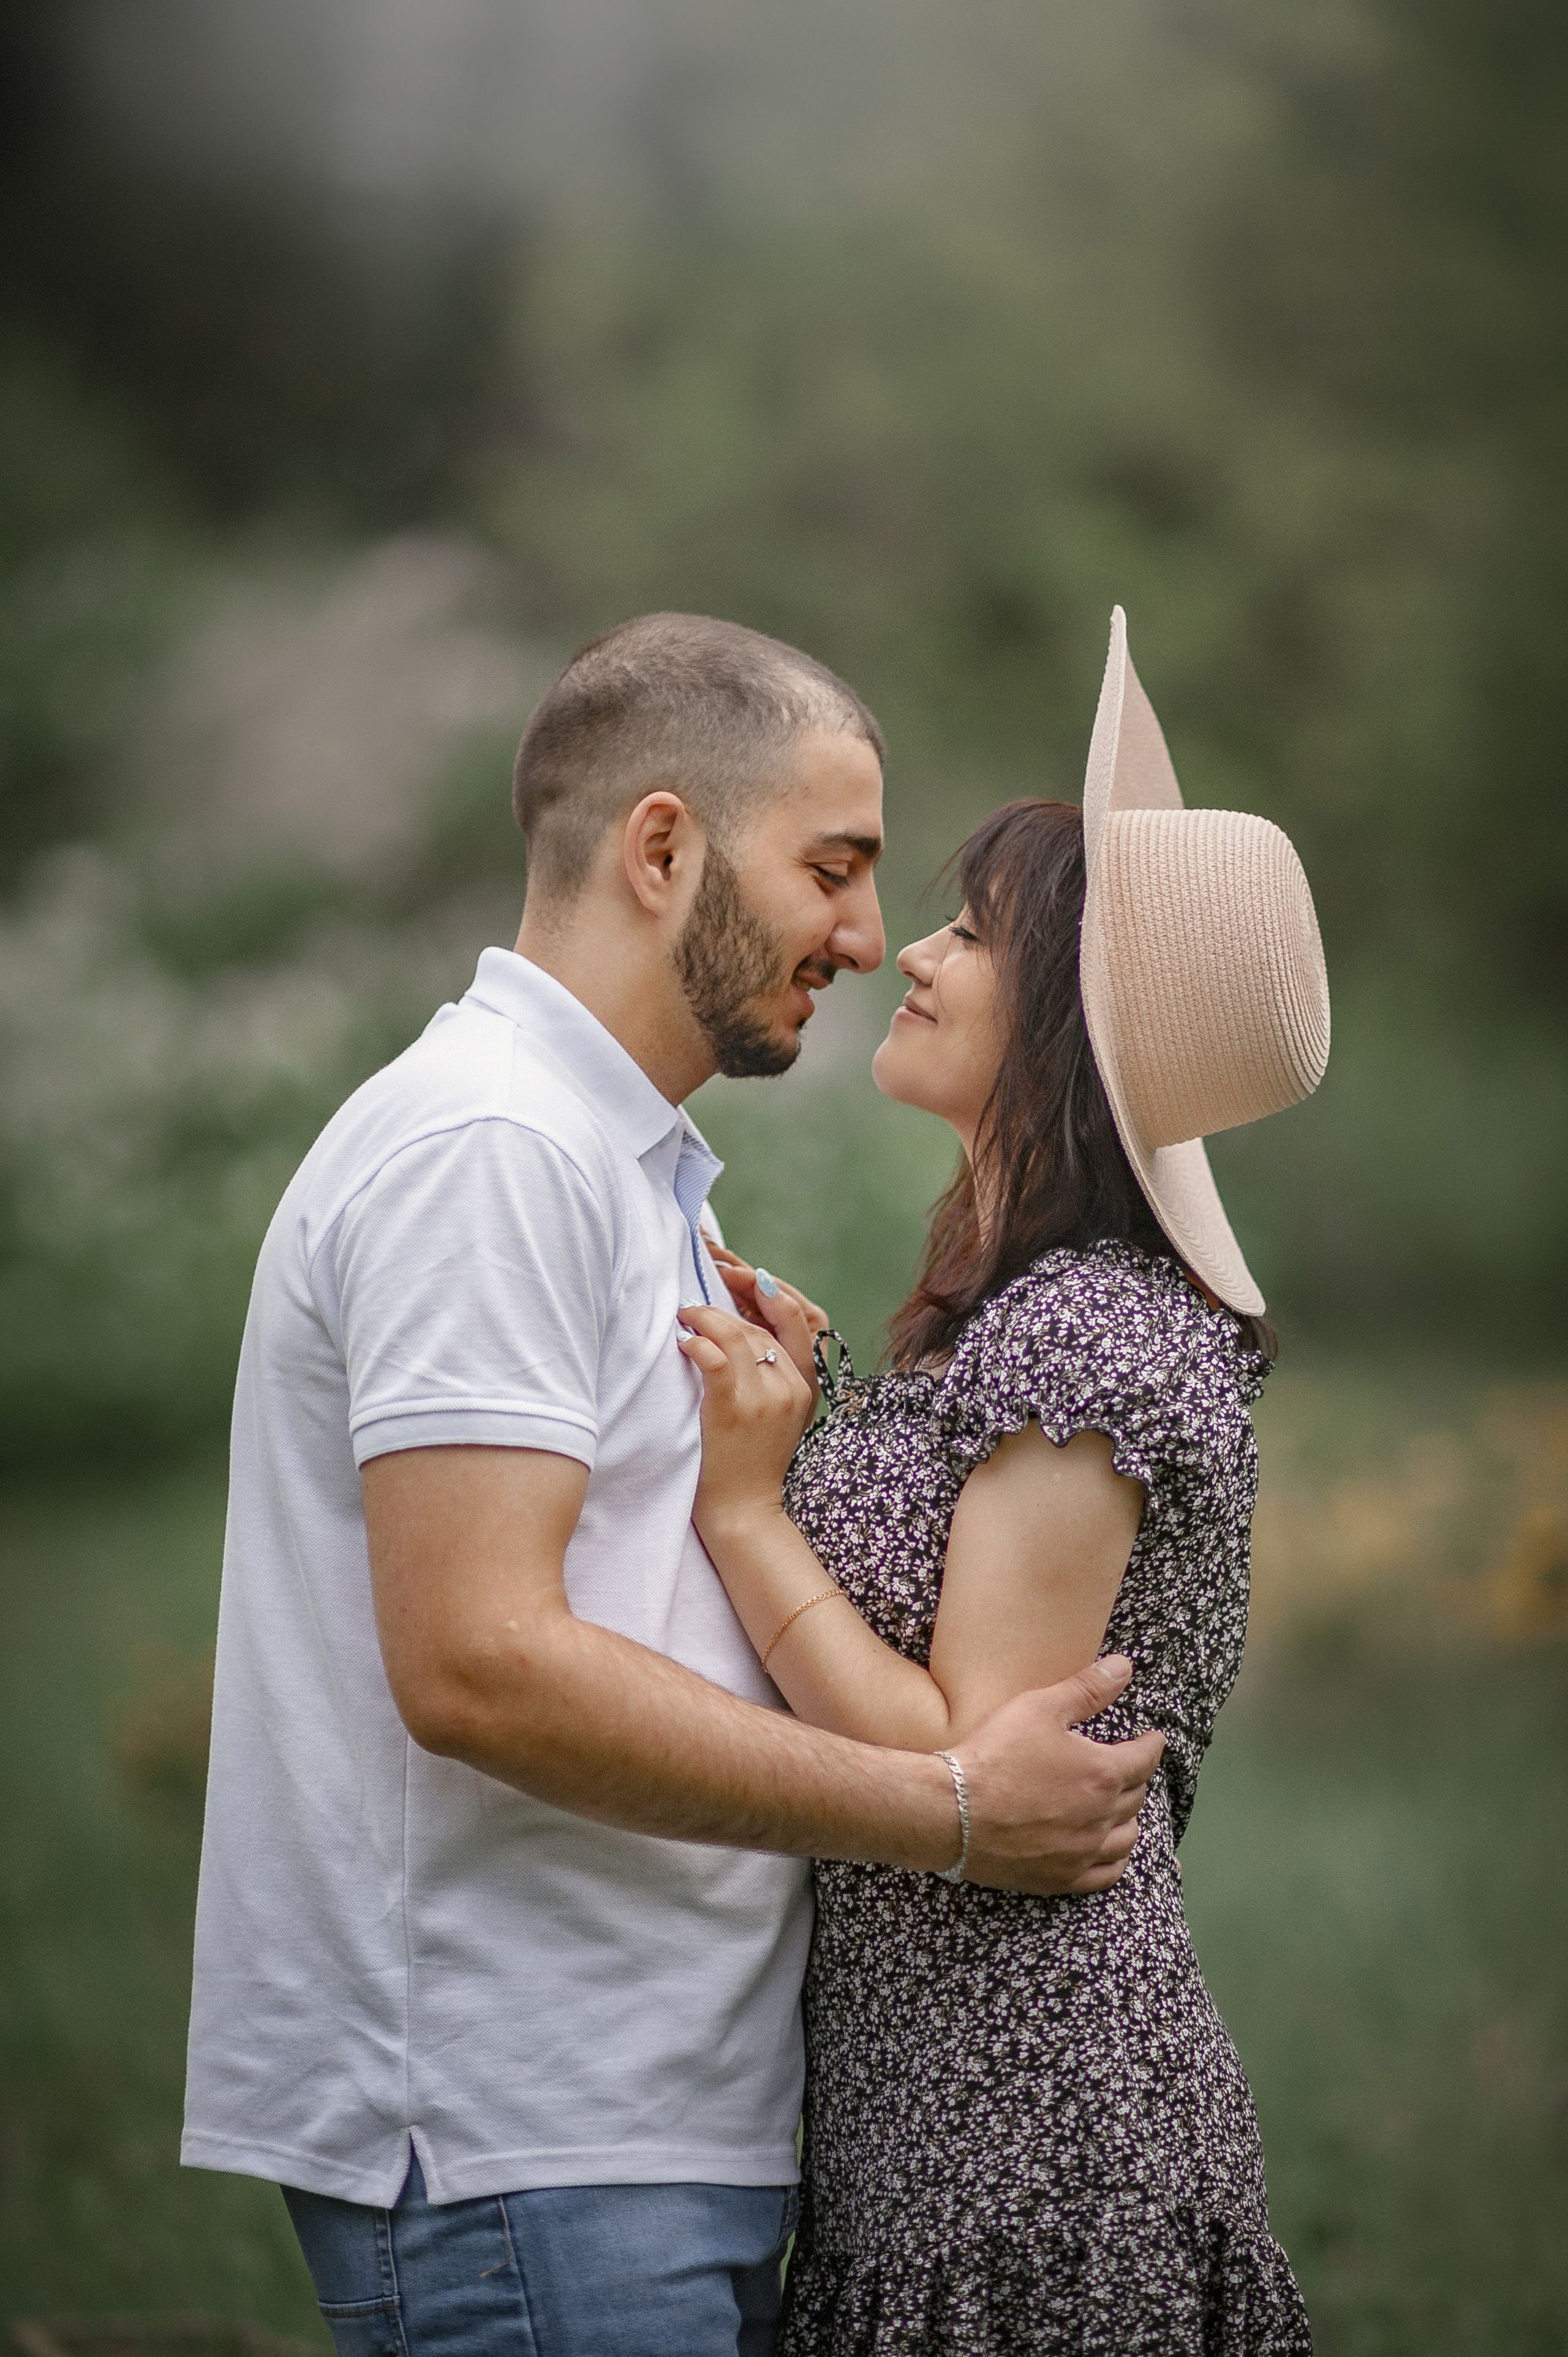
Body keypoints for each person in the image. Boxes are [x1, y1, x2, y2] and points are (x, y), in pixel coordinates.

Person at [181, 612, 1167, 2357]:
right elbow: (477, 1661)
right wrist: (951, 1815)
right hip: (522, 2138)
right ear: (661, 847)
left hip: (625, 2136)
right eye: (836, 868)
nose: (867, 938)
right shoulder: (491, 1152)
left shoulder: (621, 1174)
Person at [676, 608, 1329, 2354]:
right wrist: (814, 1419)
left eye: (971, 929)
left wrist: (749, 1513)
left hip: (1037, 2155)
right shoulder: (1026, 1321)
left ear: (1069, 1026)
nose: (914, 955)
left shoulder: (1095, 1340)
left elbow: (971, 1757)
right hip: (940, 2132)